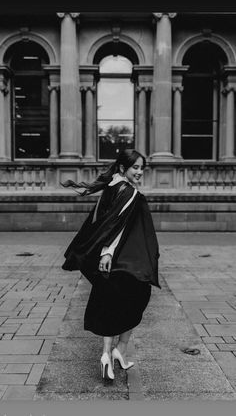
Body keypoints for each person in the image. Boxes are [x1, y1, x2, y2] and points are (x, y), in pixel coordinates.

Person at [61, 149, 161, 382]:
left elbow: (101, 221)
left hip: (109, 262)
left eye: (141, 168)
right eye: (135, 167)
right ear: (122, 168)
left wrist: (102, 254)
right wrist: (107, 252)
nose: (140, 172)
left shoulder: (111, 187)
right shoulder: (129, 193)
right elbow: (116, 225)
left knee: (109, 302)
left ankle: (107, 354)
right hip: (124, 259)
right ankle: (120, 350)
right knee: (137, 298)